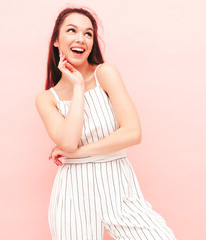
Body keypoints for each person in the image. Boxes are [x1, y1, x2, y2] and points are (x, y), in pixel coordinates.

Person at [35, 6, 177, 240]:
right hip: (73, 192)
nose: (81, 38)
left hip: (118, 185)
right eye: (72, 30)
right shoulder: (47, 99)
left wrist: (79, 154)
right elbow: (68, 142)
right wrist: (78, 85)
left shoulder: (106, 74)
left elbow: (133, 133)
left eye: (88, 33)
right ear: (56, 41)